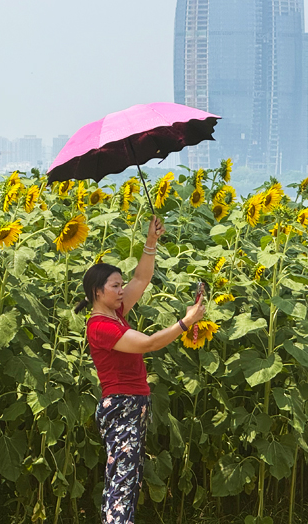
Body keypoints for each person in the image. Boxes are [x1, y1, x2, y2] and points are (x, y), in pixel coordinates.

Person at [73, 214, 205, 524]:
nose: (121, 290)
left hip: (133, 404)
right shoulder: (100, 326)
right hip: (121, 405)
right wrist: (186, 321)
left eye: (121, 285)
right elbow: (148, 343)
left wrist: (151, 241)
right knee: (123, 477)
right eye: (115, 286)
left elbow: (142, 279)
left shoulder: (116, 313)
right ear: (97, 291)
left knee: (126, 477)